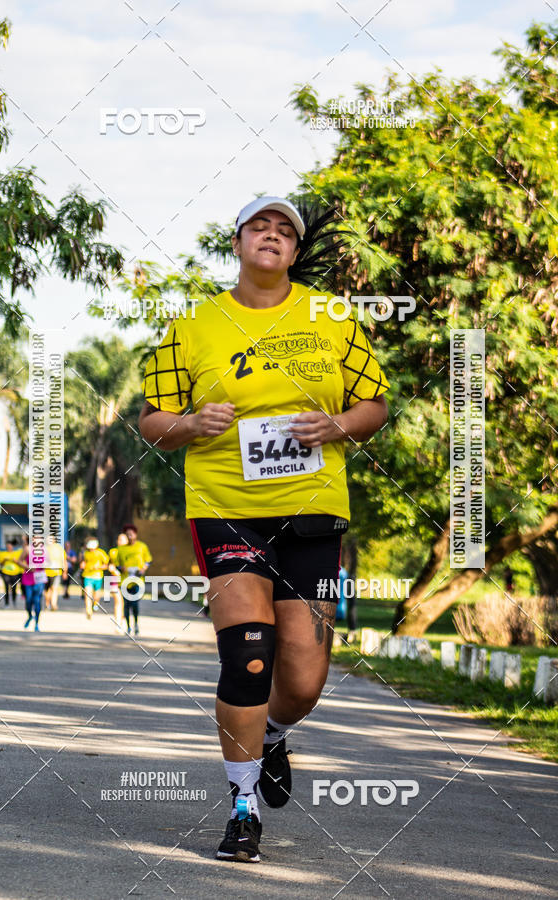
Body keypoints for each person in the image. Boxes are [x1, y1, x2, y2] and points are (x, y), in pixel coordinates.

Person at [139, 196, 389, 862]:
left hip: (312, 510)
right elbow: (153, 422)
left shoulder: (332, 318)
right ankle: (242, 806)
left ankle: (274, 731)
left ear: (296, 251)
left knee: (303, 678)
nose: (272, 236)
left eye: (285, 231)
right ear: (239, 240)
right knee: (248, 653)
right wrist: (190, 425)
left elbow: (375, 405)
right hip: (226, 506)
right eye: (260, 226)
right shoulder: (194, 323)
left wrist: (336, 424)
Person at [116, 525, 152, 636]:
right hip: (124, 580)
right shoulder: (121, 549)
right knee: (126, 605)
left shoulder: (142, 546)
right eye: (127, 534)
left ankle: (135, 623)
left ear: (135, 534)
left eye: (131, 534)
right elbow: (117, 564)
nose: (129, 536)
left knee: (135, 603)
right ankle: (128, 626)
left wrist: (143, 570)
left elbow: (148, 561)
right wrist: (121, 568)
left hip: (137, 580)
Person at [17, 535, 47, 632]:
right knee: (29, 600)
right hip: (28, 578)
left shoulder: (44, 550)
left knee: (37, 600)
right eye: (35, 538)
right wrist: (28, 567)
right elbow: (19, 561)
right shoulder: (27, 549)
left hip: (39, 578)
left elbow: (49, 562)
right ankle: (30, 616)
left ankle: (37, 624)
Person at [80, 538, 109, 619]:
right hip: (87, 575)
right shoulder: (85, 553)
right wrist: (82, 564)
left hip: (98, 576)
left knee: (96, 595)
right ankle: (88, 611)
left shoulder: (101, 553)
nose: (91, 549)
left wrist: (99, 567)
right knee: (87, 593)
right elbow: (83, 562)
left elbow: (106, 565)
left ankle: (95, 603)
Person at [108, 532, 128, 629]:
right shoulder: (113, 552)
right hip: (114, 579)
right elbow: (109, 564)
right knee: (118, 601)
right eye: (119, 539)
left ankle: (123, 620)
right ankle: (118, 623)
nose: (121, 542)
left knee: (125, 603)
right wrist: (113, 570)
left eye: (123, 540)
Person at [44, 537, 67, 611]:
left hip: (56, 572)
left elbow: (64, 560)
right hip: (46, 572)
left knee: (54, 588)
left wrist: (65, 572)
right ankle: (47, 604)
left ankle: (53, 604)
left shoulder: (59, 548)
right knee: (47, 590)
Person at [0, 540, 22, 607]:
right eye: (7, 546)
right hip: (6, 573)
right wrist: (4, 560)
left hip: (15, 573)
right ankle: (7, 603)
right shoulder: (3, 554)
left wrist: (15, 560)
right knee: (6, 588)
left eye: (10, 546)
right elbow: (0, 564)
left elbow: (20, 562)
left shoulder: (17, 553)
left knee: (14, 588)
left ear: (12, 546)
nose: (9, 547)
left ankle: (14, 602)